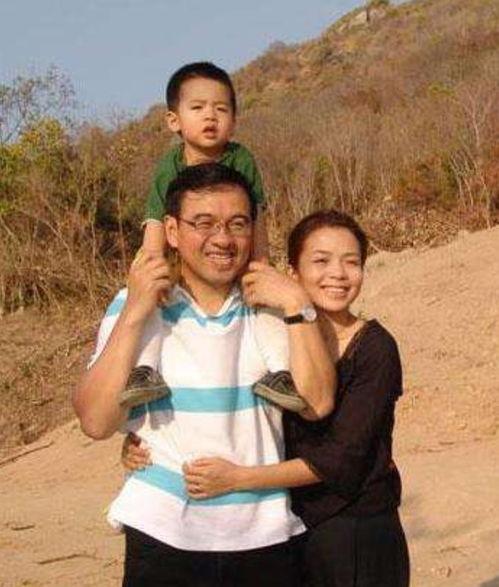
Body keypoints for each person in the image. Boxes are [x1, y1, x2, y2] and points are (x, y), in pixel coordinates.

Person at [73, 164, 335, 587]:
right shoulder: (136, 302)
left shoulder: (274, 305)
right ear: (172, 231)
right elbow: (96, 421)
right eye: (204, 223)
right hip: (161, 532)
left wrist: (298, 305)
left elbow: (318, 403)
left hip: (264, 535)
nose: (222, 239)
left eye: (237, 224)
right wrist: (136, 311)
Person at [124, 209, 410, 586]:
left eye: (351, 262)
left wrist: (239, 479)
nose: (338, 274)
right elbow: (225, 403)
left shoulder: (375, 348)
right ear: (292, 273)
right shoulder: (276, 335)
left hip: (355, 530)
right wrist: (145, 440)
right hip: (289, 529)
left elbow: (342, 459)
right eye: (321, 261)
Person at [123, 61, 293, 410]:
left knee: (265, 300)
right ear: (174, 120)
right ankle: (143, 370)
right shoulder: (169, 167)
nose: (210, 117)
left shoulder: (240, 159)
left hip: (235, 256)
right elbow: (155, 221)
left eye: (221, 109)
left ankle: (281, 373)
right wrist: (152, 266)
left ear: (234, 119)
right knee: (152, 299)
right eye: (198, 108)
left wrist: (261, 262)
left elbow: (256, 214)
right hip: (179, 260)